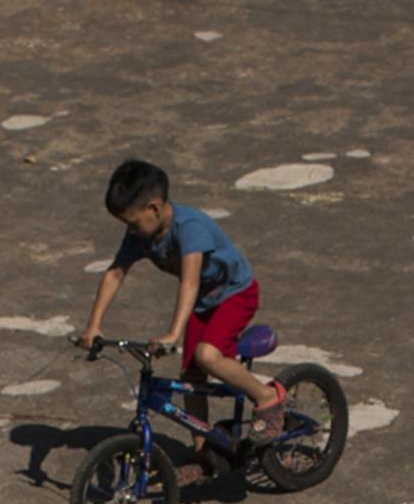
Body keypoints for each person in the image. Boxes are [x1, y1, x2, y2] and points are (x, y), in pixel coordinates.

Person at [76, 158, 285, 477]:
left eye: (133, 223)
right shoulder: (140, 235)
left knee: (207, 355)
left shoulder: (190, 227)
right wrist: (94, 325)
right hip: (203, 302)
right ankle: (202, 454)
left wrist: (174, 333)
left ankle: (267, 398)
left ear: (155, 208)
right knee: (191, 380)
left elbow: (190, 280)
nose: (130, 231)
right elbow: (116, 273)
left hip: (235, 294)